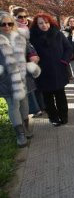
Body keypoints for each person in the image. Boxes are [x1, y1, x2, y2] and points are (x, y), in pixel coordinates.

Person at [0, 12, 41, 147]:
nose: (7, 26)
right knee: (13, 106)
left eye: (9, 23)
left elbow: (30, 51)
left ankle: (25, 127)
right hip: (6, 79)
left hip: (23, 77)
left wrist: (33, 57)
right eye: (3, 24)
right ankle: (20, 135)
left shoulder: (20, 36)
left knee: (25, 104)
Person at [30, 13, 72, 126]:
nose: (44, 25)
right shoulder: (32, 37)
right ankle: (53, 118)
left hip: (58, 69)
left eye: (46, 22)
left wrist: (64, 61)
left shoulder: (58, 34)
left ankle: (63, 117)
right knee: (47, 98)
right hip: (43, 72)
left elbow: (68, 48)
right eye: (41, 23)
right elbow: (30, 53)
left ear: (50, 22)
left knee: (60, 96)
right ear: (36, 24)